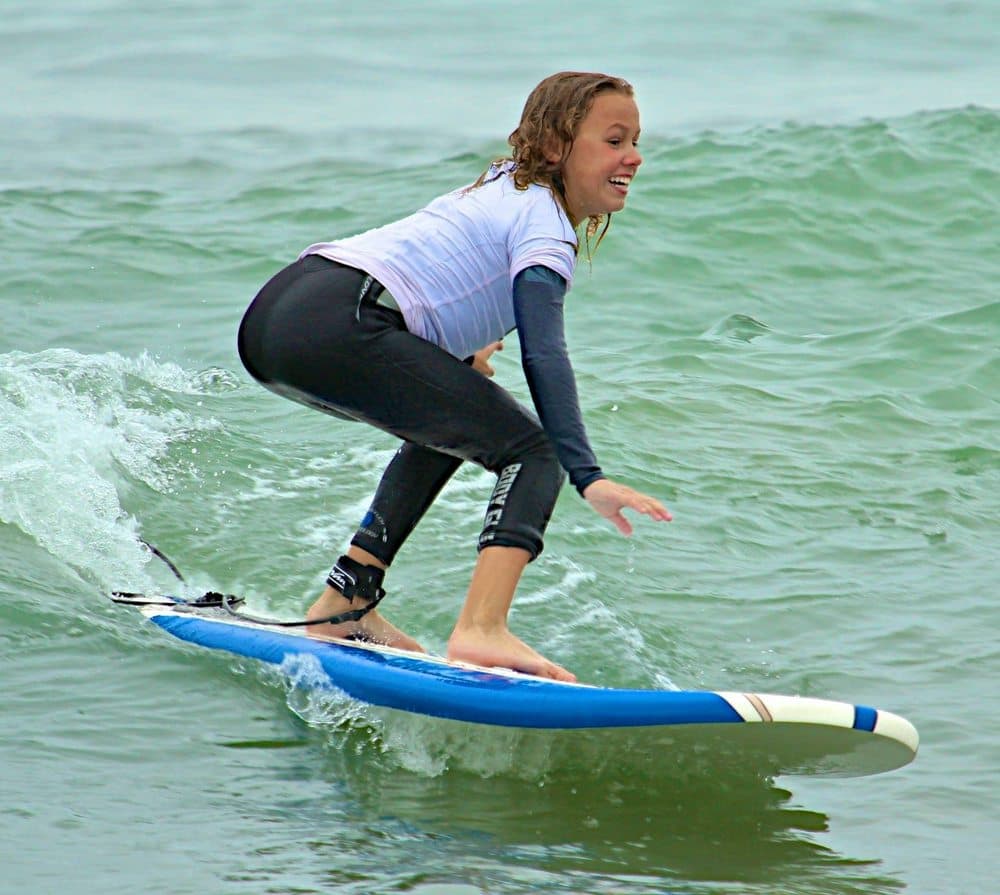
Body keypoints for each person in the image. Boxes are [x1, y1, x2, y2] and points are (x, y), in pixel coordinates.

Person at [237, 71, 672, 683]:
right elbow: (545, 356)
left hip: (286, 313)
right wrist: (587, 475)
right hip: (340, 317)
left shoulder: (503, 185)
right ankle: (482, 629)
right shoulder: (545, 227)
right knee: (532, 450)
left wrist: (462, 355)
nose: (634, 156)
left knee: (454, 421)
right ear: (555, 147)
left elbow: (443, 273)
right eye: (614, 140)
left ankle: (346, 601)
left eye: (634, 140)